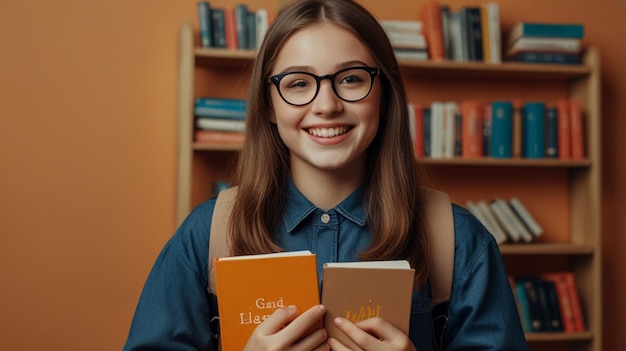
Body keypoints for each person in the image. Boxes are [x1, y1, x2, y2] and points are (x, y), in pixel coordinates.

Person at [123, 0, 528, 350]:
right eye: (298, 83)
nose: (326, 104)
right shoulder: (204, 235)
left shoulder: (459, 241)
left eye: (351, 78)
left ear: (384, 95)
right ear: (268, 106)